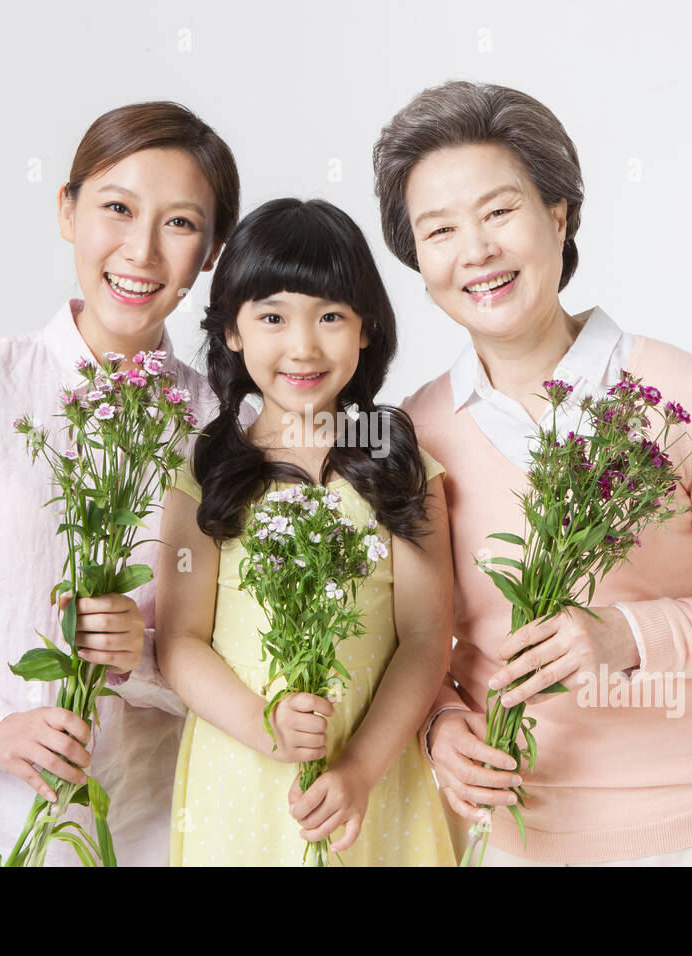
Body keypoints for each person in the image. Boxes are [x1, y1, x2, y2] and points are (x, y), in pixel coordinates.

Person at [373, 80, 692, 866]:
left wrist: (628, 637)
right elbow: (417, 637)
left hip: (689, 829)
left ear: (558, 215)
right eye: (439, 230)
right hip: (507, 831)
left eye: (500, 212)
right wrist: (440, 724)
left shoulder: (679, 393)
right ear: (419, 260)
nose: (475, 250)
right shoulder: (416, 431)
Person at [0, 101, 248, 866]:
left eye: (180, 224)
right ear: (67, 211)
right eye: (117, 209)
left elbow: (238, 653)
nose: (142, 252)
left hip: (134, 833)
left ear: (213, 255)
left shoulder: (219, 427)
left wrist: (148, 655)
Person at [154, 198, 457, 865]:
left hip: (372, 781)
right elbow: (179, 643)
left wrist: (360, 770)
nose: (303, 346)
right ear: (231, 331)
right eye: (272, 317)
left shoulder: (398, 464)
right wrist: (267, 727)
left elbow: (426, 639)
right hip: (243, 783)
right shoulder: (206, 471)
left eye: (330, 317)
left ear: (367, 329)